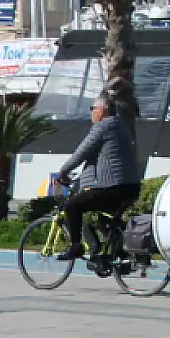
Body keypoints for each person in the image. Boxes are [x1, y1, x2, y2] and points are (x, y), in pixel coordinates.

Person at [55, 93, 142, 263]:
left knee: (72, 206)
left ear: (102, 110)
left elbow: (81, 153)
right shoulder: (120, 127)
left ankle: (75, 246)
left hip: (113, 187)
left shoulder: (103, 127)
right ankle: (117, 255)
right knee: (105, 219)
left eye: (92, 109)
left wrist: (63, 172)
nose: (91, 113)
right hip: (130, 187)